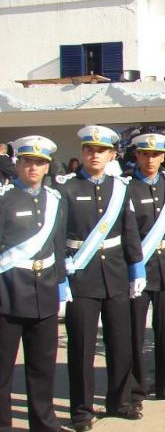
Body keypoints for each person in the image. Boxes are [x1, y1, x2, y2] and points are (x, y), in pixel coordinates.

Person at [58, 125, 146, 431]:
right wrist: (60, 276)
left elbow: (129, 230)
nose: (94, 155)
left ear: (111, 155)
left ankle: (120, 401)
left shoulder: (120, 188)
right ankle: (81, 411)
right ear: (82, 153)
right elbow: (58, 235)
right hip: (81, 278)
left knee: (120, 343)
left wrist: (136, 268)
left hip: (116, 276)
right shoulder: (66, 188)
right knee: (81, 348)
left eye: (101, 151)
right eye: (89, 150)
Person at [0, 136, 66, 432]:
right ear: (18, 164)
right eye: (28, 162)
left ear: (47, 167)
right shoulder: (4, 199)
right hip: (9, 293)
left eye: (39, 163)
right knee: (2, 368)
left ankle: (44, 424)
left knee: (42, 367)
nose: (33, 168)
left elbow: (58, 244)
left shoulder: (54, 200)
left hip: (44, 293)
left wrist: (61, 284)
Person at [125, 133, 165, 406]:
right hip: (137, 270)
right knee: (135, 333)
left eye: (155, 155)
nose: (150, 160)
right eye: (145, 154)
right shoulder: (126, 187)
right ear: (137, 156)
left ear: (163, 157)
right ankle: (136, 388)